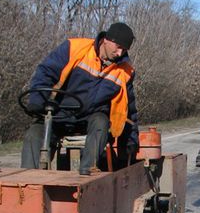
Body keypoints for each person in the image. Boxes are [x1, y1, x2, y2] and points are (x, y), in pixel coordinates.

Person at [20, 22, 138, 175]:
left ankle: (87, 174)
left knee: (101, 122)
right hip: (59, 115)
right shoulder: (74, 48)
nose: (120, 52)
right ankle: (30, 182)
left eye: (125, 49)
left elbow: (129, 110)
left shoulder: (125, 71)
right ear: (107, 39)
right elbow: (45, 72)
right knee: (34, 134)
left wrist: (130, 140)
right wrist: (37, 100)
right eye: (118, 46)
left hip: (91, 119)